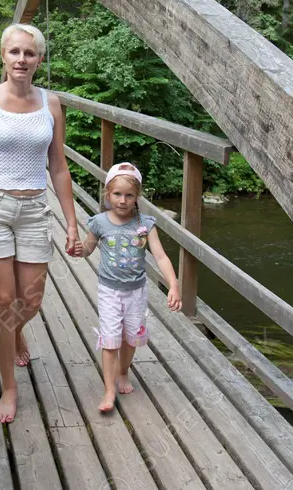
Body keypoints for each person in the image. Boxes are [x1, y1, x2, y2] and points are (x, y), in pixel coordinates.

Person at [0, 23, 80, 424]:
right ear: (3, 56)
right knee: (4, 301)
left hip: (35, 209)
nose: (21, 59)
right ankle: (9, 386)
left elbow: (58, 167)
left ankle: (12, 332)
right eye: (15, 52)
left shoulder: (51, 104)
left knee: (33, 300)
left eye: (30, 53)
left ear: (39, 59)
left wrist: (72, 222)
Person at [76, 161, 182, 413]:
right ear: (107, 194)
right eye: (117, 194)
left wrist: (174, 285)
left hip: (136, 290)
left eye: (129, 195)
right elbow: (88, 248)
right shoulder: (100, 222)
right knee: (111, 339)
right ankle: (109, 389)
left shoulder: (144, 224)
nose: (122, 200)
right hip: (109, 291)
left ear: (137, 196)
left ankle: (124, 371)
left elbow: (161, 256)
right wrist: (80, 249)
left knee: (131, 337)